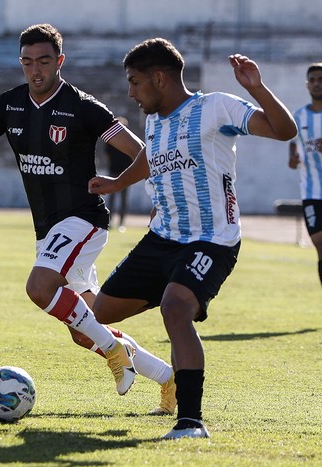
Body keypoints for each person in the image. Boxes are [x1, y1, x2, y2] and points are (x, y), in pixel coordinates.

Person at [0, 23, 177, 415]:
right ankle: (169, 379)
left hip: (84, 219)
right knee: (86, 330)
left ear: (59, 61)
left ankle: (115, 353)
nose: (35, 70)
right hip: (47, 229)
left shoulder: (83, 107)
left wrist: (142, 191)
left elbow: (141, 152)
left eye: (43, 61)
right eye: (27, 62)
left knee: (40, 288)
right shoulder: (9, 104)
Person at [89, 38, 297, 439]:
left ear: (160, 78)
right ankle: (178, 298)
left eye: (134, 82)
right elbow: (150, 157)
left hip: (212, 239)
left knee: (175, 309)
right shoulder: (154, 120)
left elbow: (283, 130)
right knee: (103, 312)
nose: (131, 92)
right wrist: (117, 183)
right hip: (163, 237)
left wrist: (256, 88)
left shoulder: (215, 107)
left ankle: (190, 421)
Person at [289, 63, 322, 285]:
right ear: (307, 84)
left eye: (321, 79)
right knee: (320, 244)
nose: (317, 84)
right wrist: (293, 160)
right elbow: (293, 155)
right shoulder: (298, 117)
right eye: (313, 80)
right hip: (312, 192)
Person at [103, 116, 133, 231]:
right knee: (114, 199)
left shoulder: (114, 141)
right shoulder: (111, 141)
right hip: (117, 171)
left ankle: (120, 223)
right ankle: (112, 222)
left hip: (123, 172)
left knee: (120, 200)